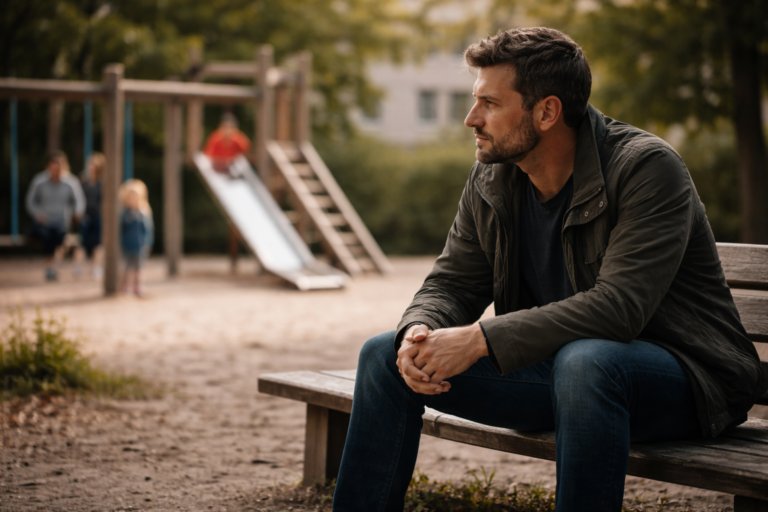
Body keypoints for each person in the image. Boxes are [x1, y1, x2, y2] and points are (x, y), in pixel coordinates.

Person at [332, 28, 766, 512]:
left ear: (547, 112)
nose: (470, 119)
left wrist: (479, 338)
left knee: (588, 360)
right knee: (382, 355)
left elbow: (619, 309)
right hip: (569, 375)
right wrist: (419, 330)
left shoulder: (645, 168)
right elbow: (453, 281)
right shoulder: (492, 175)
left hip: (689, 381)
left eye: (490, 104)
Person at [25, 150, 86, 281]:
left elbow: (79, 201)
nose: (56, 170)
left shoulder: (71, 181)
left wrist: (77, 213)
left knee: (59, 237)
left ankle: (52, 267)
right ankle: (50, 267)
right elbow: (30, 201)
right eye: (53, 167)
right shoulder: (39, 181)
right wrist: (38, 214)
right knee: (46, 236)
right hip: (44, 221)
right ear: (48, 166)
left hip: (61, 221)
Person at [119, 179, 154, 297]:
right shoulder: (125, 214)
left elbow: (148, 230)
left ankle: (137, 286)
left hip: (140, 244)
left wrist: (148, 243)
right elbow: (121, 230)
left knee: (139, 268)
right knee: (127, 267)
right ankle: (124, 286)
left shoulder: (143, 213)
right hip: (127, 244)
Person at [79, 152, 106, 278]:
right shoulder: (83, 182)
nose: (91, 167)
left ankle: (96, 268)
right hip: (85, 216)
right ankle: (78, 267)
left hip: (98, 216)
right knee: (82, 243)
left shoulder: (102, 184)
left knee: (98, 244)